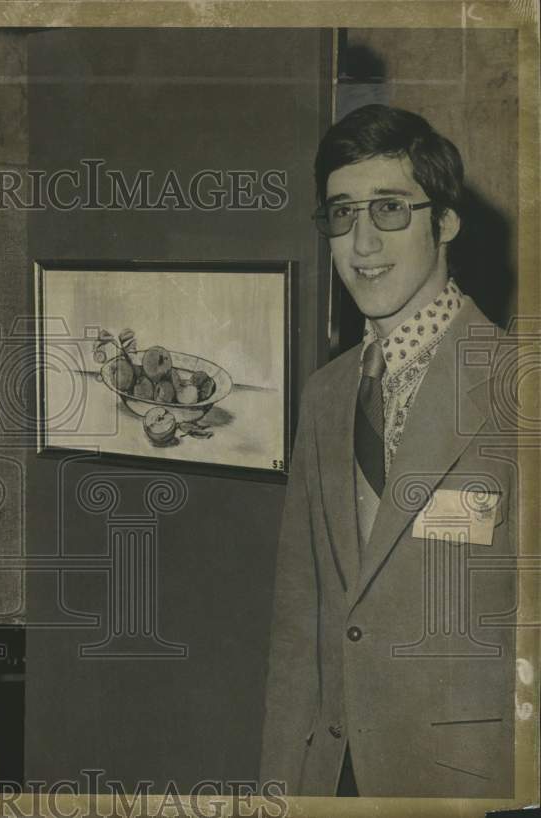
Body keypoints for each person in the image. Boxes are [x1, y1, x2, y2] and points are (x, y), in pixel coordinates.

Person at [260, 105, 517, 798]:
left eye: (390, 209)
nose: (363, 242)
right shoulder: (324, 396)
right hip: (331, 780)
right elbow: (298, 629)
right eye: (342, 213)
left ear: (447, 221)